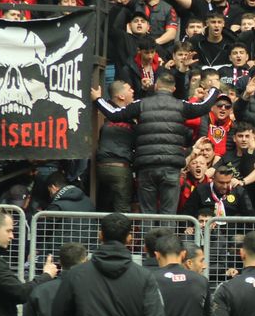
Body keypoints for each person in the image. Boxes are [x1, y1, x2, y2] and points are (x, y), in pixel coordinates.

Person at [93, 73, 221, 214]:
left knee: (148, 213)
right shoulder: (181, 105)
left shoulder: (141, 104)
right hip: (171, 167)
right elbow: (204, 106)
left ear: (156, 87)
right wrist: (215, 89)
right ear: (173, 89)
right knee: (169, 214)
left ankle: (148, 230)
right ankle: (167, 230)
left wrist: (98, 99)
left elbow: (115, 114)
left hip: (147, 166)